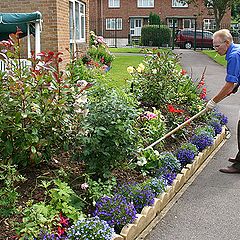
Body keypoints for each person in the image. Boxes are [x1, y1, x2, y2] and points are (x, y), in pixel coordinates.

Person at [206, 29, 240, 173]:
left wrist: (213, 102)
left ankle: (239, 165)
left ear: (227, 42)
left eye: (217, 46)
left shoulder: (233, 55)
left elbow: (228, 85)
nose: (215, 49)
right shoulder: (237, 49)